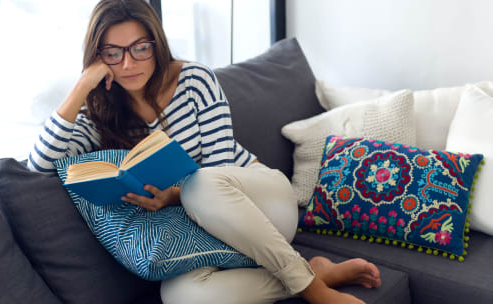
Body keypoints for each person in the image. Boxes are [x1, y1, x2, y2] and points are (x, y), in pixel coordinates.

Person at [28, 0, 381, 303]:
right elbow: (39, 165)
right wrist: (81, 87)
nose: (128, 63)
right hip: (205, 235)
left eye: (140, 48)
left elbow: (220, 166)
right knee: (181, 296)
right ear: (97, 57)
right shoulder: (100, 113)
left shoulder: (195, 80)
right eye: (112, 53)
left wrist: (172, 197)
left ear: (156, 43)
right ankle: (312, 273)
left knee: (201, 184)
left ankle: (315, 292)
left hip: (263, 201)